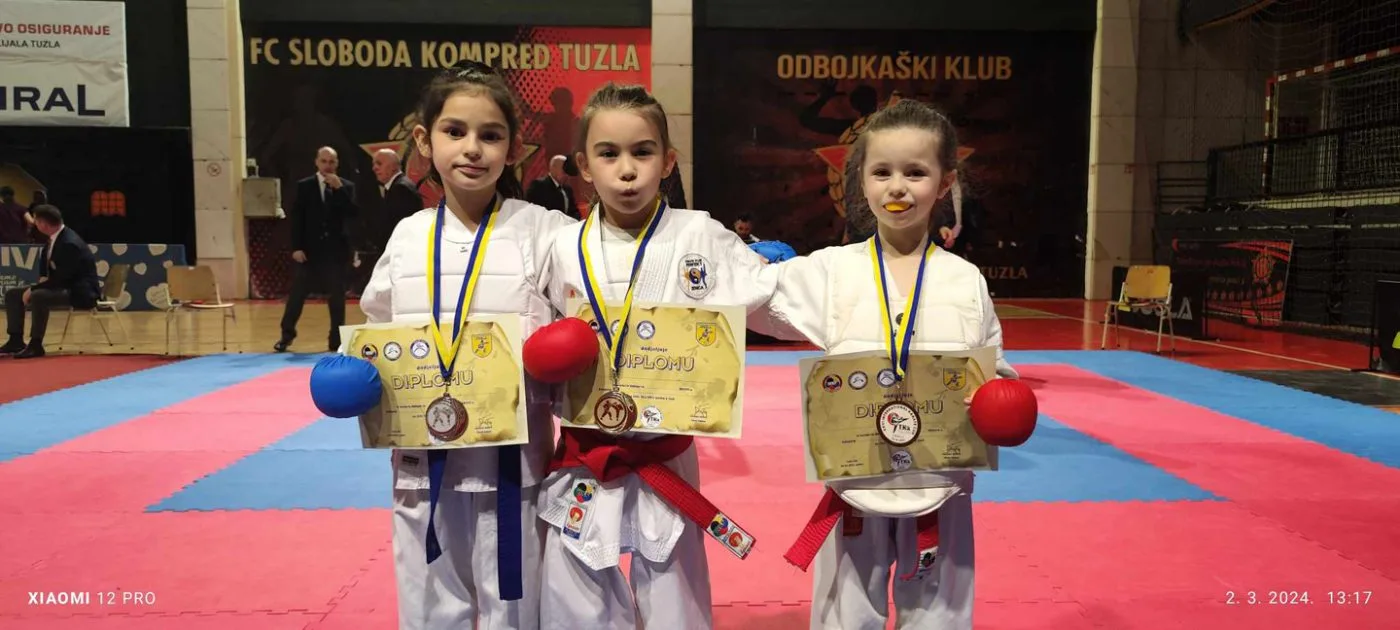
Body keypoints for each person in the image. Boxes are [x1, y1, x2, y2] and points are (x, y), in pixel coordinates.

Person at [756, 99, 1017, 630]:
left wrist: (999, 401)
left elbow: (993, 368)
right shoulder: (830, 271)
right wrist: (735, 258)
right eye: (882, 172)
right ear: (860, 182)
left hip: (940, 484)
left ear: (945, 183)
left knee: (940, 617)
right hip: (855, 486)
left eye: (915, 172)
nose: (897, 187)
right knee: (845, 616)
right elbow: (749, 298)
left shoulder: (965, 280)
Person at [536, 83, 778, 630]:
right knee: (576, 596)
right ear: (583, 166)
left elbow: (775, 300)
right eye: (608, 154)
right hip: (586, 452)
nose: (627, 170)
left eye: (642, 152)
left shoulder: (701, 235)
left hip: (666, 453)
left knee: (674, 594)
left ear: (668, 161)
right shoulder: (561, 247)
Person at [358, 61, 576, 630]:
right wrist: (358, 375)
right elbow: (378, 328)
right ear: (424, 140)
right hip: (422, 462)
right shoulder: (407, 236)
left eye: (490, 135)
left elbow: (600, 288)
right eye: (454, 131)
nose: (472, 148)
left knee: (515, 606)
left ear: (514, 149)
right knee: (430, 602)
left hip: (514, 463)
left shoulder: (544, 230)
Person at [275, 146, 359, 353]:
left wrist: (339, 190)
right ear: (316, 162)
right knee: (297, 296)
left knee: (337, 298)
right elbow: (297, 219)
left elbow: (352, 214)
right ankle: (286, 336)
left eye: (331, 162)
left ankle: (336, 340)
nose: (327, 166)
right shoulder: (304, 186)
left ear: (337, 164)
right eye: (324, 161)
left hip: (335, 252)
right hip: (309, 252)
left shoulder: (346, 187)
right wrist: (296, 247)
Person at [2, 205, 100, 359]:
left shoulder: (69, 243)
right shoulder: (54, 239)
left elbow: (62, 278)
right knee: (13, 294)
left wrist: (34, 289)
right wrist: (39, 282)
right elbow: (48, 271)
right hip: (62, 286)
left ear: (43, 224)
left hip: (80, 292)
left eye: (36, 221)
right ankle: (15, 340)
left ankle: (36, 344)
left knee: (39, 295)